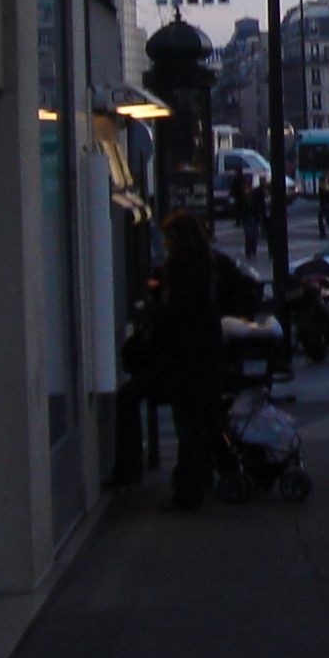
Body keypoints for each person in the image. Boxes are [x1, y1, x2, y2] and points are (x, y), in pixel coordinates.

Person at [137, 213, 257, 509]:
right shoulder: (210, 264)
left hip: (185, 355)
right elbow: (242, 291)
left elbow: (174, 312)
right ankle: (203, 475)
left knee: (188, 423)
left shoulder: (181, 270)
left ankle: (191, 485)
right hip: (207, 352)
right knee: (204, 418)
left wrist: (155, 309)